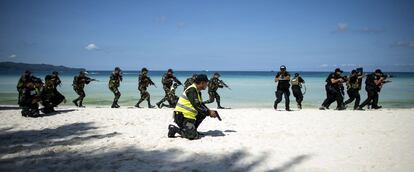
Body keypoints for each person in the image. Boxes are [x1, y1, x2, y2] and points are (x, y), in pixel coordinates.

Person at [167, 74, 219, 140]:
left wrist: (209, 111)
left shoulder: (197, 91)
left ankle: (192, 129)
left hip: (189, 116)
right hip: (181, 116)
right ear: (202, 83)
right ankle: (174, 129)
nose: (207, 85)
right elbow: (196, 105)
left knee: (203, 113)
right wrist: (209, 113)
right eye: (206, 83)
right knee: (192, 136)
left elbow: (201, 104)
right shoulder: (192, 90)